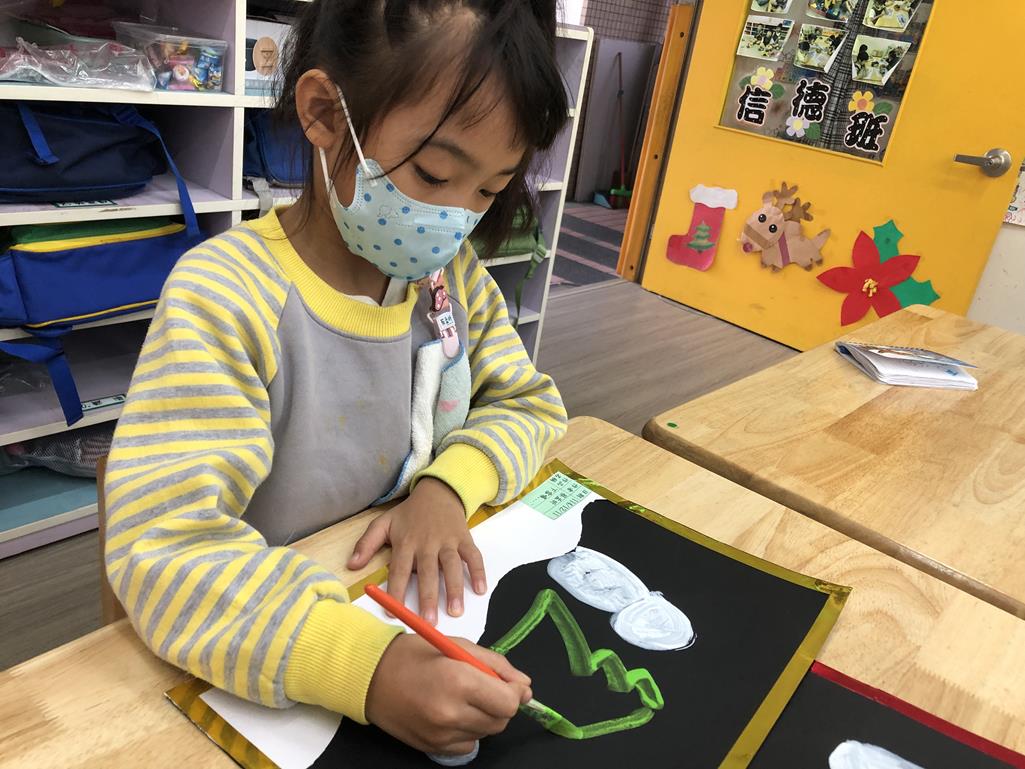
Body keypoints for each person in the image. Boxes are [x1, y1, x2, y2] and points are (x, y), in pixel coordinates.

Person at [102, 0, 569, 759]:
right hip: (252, 642)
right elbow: (164, 552)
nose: (457, 220)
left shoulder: (451, 279)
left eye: (488, 190)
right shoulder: (227, 296)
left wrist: (447, 487)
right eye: (434, 174)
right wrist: (367, 668)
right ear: (323, 113)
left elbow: (529, 404)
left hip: (388, 588)